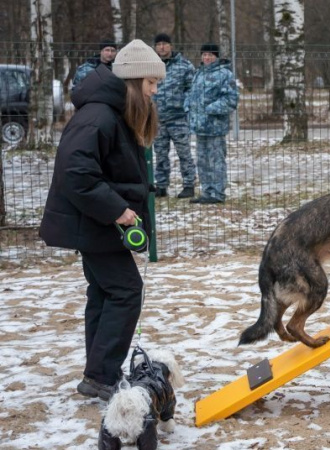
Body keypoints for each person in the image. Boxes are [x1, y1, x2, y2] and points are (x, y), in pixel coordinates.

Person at [39, 39, 165, 400]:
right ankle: (101, 376)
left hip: (97, 223)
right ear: (132, 80)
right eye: (151, 84)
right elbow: (76, 173)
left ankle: (98, 375)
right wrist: (118, 209)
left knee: (105, 292)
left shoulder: (112, 111)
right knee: (126, 292)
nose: (155, 91)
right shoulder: (99, 115)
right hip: (95, 222)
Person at [185, 42, 239, 204]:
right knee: (202, 161)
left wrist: (209, 108)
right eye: (204, 55)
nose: (206, 58)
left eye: (210, 55)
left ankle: (217, 192)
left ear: (216, 57)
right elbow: (191, 94)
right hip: (199, 127)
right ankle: (207, 191)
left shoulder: (225, 74)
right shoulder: (198, 73)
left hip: (215, 127)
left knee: (216, 161)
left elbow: (231, 99)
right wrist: (187, 107)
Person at [151, 33, 196, 199]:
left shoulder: (184, 66)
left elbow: (192, 89)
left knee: (184, 154)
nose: (162, 47)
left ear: (171, 46)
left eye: (165, 44)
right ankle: (161, 185)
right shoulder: (151, 66)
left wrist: (185, 106)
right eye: (159, 44)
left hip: (178, 119)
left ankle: (189, 184)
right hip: (157, 120)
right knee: (160, 154)